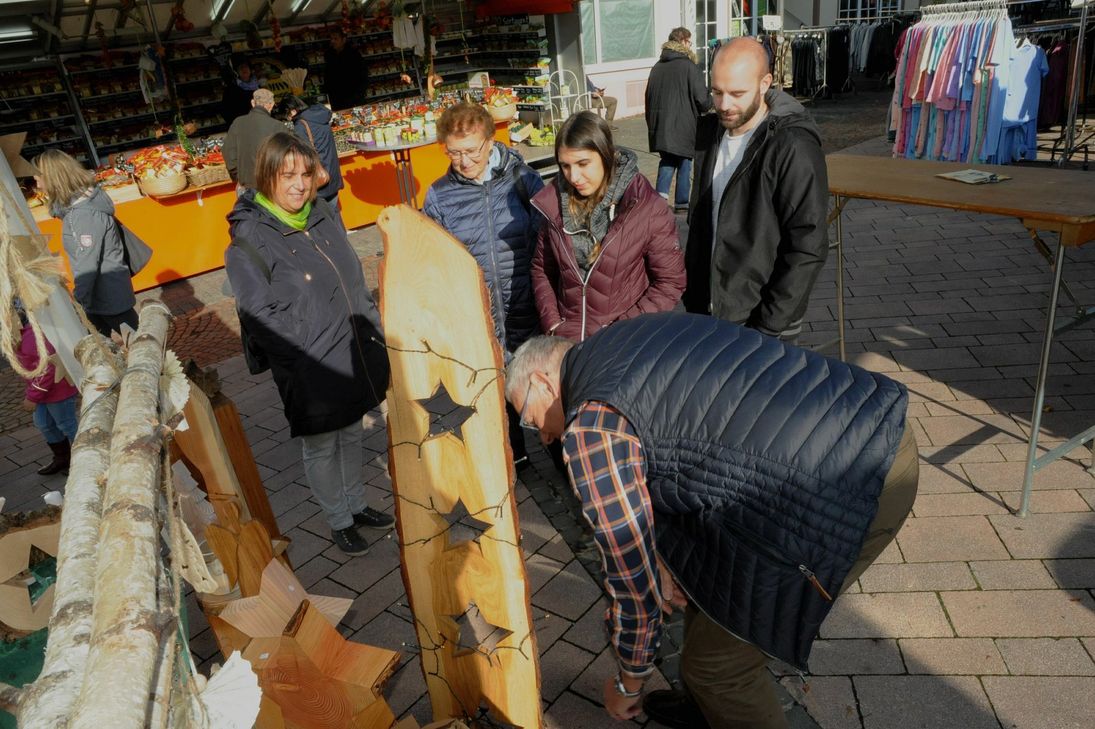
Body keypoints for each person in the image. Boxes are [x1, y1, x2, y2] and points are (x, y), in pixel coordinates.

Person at [505, 312, 919, 729]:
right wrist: (665, 560)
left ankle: (712, 694)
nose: (542, 436)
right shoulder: (618, 339)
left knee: (721, 670)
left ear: (543, 382)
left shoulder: (592, 428)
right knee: (704, 584)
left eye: (528, 417)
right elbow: (683, 444)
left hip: (851, 482)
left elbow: (635, 591)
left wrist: (629, 681)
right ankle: (706, 708)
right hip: (858, 418)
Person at [224, 132, 394, 556]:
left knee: (352, 432)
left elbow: (351, 277)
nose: (300, 185)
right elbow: (260, 317)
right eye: (288, 176)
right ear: (267, 176)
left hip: (351, 347)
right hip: (310, 363)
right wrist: (302, 359)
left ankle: (356, 504)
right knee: (321, 444)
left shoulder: (320, 214)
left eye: (305, 174)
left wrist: (371, 330)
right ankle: (338, 519)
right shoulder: (249, 241)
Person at [422, 102, 544, 468]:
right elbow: (434, 261)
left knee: (541, 378)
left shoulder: (522, 179)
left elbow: (549, 238)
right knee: (495, 386)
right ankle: (515, 456)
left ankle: (561, 451)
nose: (463, 160)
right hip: (478, 311)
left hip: (528, 300)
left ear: (491, 142)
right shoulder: (439, 195)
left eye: (472, 150)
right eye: (454, 152)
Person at [684, 37, 829, 345]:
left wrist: (767, 326)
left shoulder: (793, 146)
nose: (724, 104)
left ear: (765, 83)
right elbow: (702, 220)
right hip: (707, 312)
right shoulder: (710, 130)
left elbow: (808, 245)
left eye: (737, 93)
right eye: (716, 91)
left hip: (763, 323)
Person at [530, 111, 685, 343]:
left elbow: (670, 282)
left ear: (606, 156)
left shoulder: (646, 208)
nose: (574, 176)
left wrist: (623, 331)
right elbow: (542, 269)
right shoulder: (554, 204)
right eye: (565, 166)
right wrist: (553, 324)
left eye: (583, 164)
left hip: (623, 346)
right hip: (567, 345)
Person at [33, 149, 138, 336]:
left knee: (141, 346)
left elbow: (87, 262)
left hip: (107, 297)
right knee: (103, 351)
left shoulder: (83, 214)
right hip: (102, 296)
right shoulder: (81, 207)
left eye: (38, 176)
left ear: (52, 177)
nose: (36, 182)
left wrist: (78, 299)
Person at [645, 27, 712, 212]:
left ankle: (659, 203)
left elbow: (648, 98)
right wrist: (711, 100)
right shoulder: (689, 66)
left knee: (667, 161)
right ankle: (682, 204)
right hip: (684, 127)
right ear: (682, 41)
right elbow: (703, 101)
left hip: (660, 127)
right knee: (684, 162)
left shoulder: (657, 67)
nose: (691, 46)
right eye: (689, 42)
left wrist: (652, 125)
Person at [17, 308, 79, 476]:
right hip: (44, 393)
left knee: (67, 425)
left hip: (58, 391)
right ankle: (63, 458)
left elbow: (48, 368)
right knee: (44, 424)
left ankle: (82, 459)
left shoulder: (32, 338)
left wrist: (32, 396)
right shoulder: (20, 336)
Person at [277, 95, 344, 206]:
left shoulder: (301, 126)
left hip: (319, 180)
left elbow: (304, 156)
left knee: (322, 218)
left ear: (293, 110)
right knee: (334, 214)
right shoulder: (321, 116)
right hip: (332, 172)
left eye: (287, 115)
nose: (288, 119)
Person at [223, 88, 288, 194]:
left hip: (247, 185)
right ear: (271, 105)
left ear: (253, 103)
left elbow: (228, 152)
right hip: (272, 185)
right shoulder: (279, 127)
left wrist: (239, 176)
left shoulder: (238, 123)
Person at [324, 27, 367, 110]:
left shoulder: (353, 54)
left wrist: (358, 94)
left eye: (336, 39)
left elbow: (363, 75)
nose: (332, 41)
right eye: (331, 39)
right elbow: (328, 75)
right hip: (336, 97)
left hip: (353, 95)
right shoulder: (329, 55)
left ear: (344, 40)